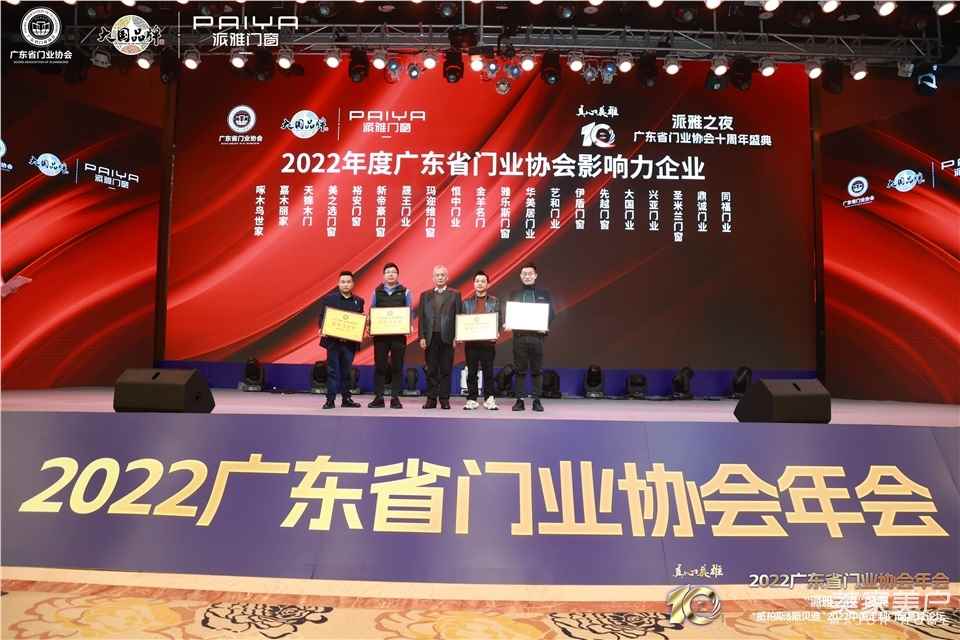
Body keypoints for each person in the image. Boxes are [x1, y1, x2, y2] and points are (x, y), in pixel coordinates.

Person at [506, 262, 555, 412]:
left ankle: (536, 401)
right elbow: (510, 313)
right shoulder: (514, 294)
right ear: (521, 276)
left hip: (537, 338)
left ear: (535, 275)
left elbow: (551, 313)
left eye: (530, 274)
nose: (527, 276)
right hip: (519, 337)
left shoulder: (544, 294)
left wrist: (544, 325)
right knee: (519, 370)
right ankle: (519, 401)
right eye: (524, 274)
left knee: (537, 370)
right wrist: (509, 323)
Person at [368, 262, 412, 409]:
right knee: (380, 366)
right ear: (384, 275)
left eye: (393, 272)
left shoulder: (405, 291)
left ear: (397, 275)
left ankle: (395, 398)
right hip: (380, 336)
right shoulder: (376, 292)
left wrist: (408, 325)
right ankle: (378, 398)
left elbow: (409, 311)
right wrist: (370, 325)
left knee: (397, 366)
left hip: (398, 335)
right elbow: (372, 310)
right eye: (388, 272)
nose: (391, 274)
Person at [318, 271, 364, 410]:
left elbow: (359, 321)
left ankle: (346, 399)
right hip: (333, 342)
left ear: (353, 284)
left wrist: (362, 327)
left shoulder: (359, 301)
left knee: (347, 372)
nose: (345, 284)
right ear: (338, 284)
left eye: (348, 282)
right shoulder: (329, 299)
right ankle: (330, 400)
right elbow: (322, 317)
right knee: (332, 371)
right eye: (343, 282)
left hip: (349, 344)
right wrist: (322, 328)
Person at [418, 264, 461, 409]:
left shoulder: (455, 294)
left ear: (447, 277)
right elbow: (422, 318)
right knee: (431, 370)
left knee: (446, 369)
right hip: (430, 337)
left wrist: (457, 336)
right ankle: (431, 399)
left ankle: (444, 399)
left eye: (443, 275)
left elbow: (458, 316)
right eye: (437, 275)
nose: (440, 277)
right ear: (433, 278)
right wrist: (422, 337)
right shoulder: (425, 295)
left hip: (448, 337)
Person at [460, 270, 500, 411]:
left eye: (483, 281)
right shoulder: (466, 303)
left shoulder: (494, 301)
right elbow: (462, 322)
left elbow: (498, 319)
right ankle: (472, 399)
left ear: (487, 284)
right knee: (471, 372)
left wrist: (496, 332)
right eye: (477, 281)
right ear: (474, 284)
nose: (480, 283)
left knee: (488, 371)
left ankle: (489, 398)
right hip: (471, 343)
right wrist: (461, 334)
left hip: (488, 343)